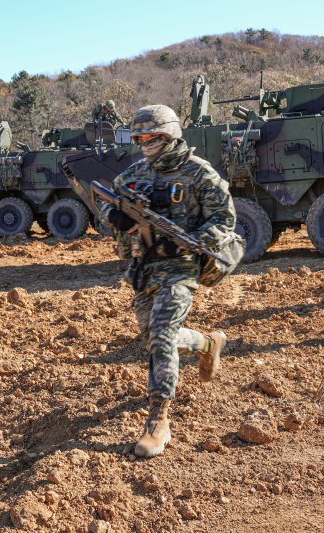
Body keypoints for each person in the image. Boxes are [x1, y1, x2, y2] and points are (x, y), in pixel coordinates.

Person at [99, 104, 235, 458]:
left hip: (181, 268)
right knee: (153, 337)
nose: (144, 143)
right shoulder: (132, 175)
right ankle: (207, 344)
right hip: (144, 269)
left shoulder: (200, 174)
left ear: (170, 134)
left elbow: (225, 219)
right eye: (139, 137)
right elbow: (109, 202)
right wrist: (114, 216)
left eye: (151, 136)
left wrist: (192, 239)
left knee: (161, 337)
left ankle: (158, 422)